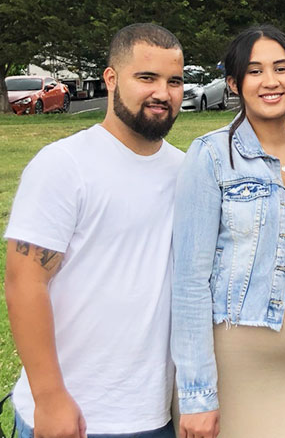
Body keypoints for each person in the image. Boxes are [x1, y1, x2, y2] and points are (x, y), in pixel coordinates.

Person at [4, 23, 185, 438]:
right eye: (147, 78)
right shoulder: (64, 166)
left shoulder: (187, 170)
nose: (163, 92)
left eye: (173, 81)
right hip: (73, 415)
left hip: (154, 414)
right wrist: (50, 399)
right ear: (111, 79)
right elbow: (24, 284)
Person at [170, 25, 285, 438]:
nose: (271, 81)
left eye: (281, 68)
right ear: (233, 83)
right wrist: (197, 395)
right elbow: (188, 281)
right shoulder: (210, 156)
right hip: (234, 371)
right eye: (255, 71)